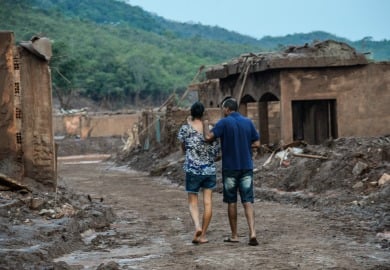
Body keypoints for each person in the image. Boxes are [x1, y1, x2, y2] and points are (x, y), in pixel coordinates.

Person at [203, 97, 260, 246]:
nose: (223, 111)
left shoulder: (224, 123)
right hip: (246, 166)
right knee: (247, 201)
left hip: (230, 168)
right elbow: (257, 143)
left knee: (232, 201)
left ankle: (234, 235)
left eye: (223, 108)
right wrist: (245, 146)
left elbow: (208, 137)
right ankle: (252, 232)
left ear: (227, 109)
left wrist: (205, 124)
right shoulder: (248, 122)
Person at [177, 101, 220, 244]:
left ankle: (197, 226)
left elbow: (183, 147)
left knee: (193, 201)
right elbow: (216, 152)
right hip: (209, 170)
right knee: (208, 203)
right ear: (203, 114)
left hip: (192, 170)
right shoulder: (211, 129)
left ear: (191, 113)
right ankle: (203, 235)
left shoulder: (185, 129)